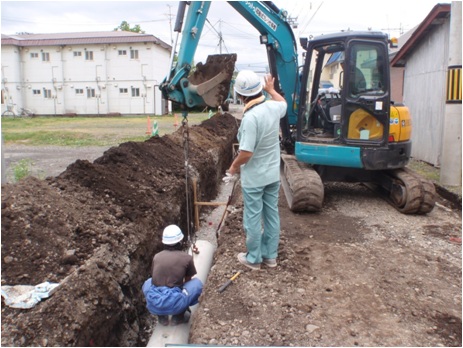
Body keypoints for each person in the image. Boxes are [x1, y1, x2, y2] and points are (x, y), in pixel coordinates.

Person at [225, 70, 287, 271]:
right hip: (272, 175)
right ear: (259, 89)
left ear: (241, 96)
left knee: (252, 217)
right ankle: (271, 257)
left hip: (255, 179)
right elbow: (283, 103)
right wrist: (272, 90)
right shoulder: (272, 107)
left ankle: (254, 258)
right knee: (271, 214)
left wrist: (233, 167)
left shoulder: (251, 118)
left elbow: (246, 153)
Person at [142, 225, 203, 326]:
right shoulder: (187, 258)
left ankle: (162, 317)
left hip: (155, 302)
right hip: (176, 304)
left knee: (148, 282)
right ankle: (178, 317)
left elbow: (155, 278)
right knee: (196, 284)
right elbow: (187, 281)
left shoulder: (157, 256)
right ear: (180, 241)